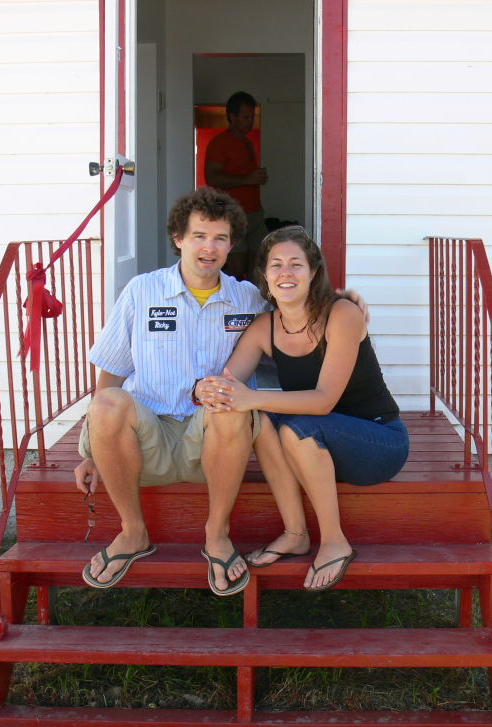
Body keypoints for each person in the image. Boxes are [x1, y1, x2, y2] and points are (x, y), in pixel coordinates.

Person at [74, 189, 365, 597]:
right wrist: (92, 452)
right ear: (179, 238)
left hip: (212, 445)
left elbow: (297, 310)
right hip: (147, 439)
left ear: (231, 245)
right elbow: (111, 371)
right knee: (106, 402)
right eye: (199, 236)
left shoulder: (248, 298)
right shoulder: (141, 292)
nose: (209, 249)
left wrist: (341, 303)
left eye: (220, 239)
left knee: (231, 403)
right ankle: (133, 531)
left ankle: (217, 534)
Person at [196, 226, 409, 591]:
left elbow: (324, 400)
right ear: (265, 276)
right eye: (276, 265)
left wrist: (252, 397)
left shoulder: (342, 314)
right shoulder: (265, 327)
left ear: (313, 272)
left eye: (296, 264)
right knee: (260, 421)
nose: (286, 272)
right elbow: (230, 383)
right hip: (317, 447)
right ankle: (296, 534)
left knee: (296, 426)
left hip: (377, 442)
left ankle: (335, 541)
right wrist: (207, 389)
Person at [204, 91, 268, 281]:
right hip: (232, 214)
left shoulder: (247, 142)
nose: (250, 121)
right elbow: (212, 178)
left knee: (259, 265)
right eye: (246, 117)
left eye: (252, 117)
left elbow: (246, 175)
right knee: (236, 267)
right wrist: (248, 179)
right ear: (232, 117)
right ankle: (225, 299)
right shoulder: (220, 143)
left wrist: (256, 178)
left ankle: (253, 300)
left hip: (255, 213)